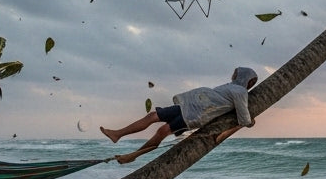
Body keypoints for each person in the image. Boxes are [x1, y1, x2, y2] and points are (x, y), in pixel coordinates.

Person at [102, 67, 258, 164]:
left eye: (236, 73)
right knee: (152, 116)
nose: (233, 74)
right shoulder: (232, 87)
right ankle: (117, 134)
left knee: (162, 131)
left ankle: (133, 155)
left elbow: (243, 118)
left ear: (245, 78)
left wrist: (250, 121)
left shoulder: (241, 92)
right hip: (188, 105)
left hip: (195, 114)